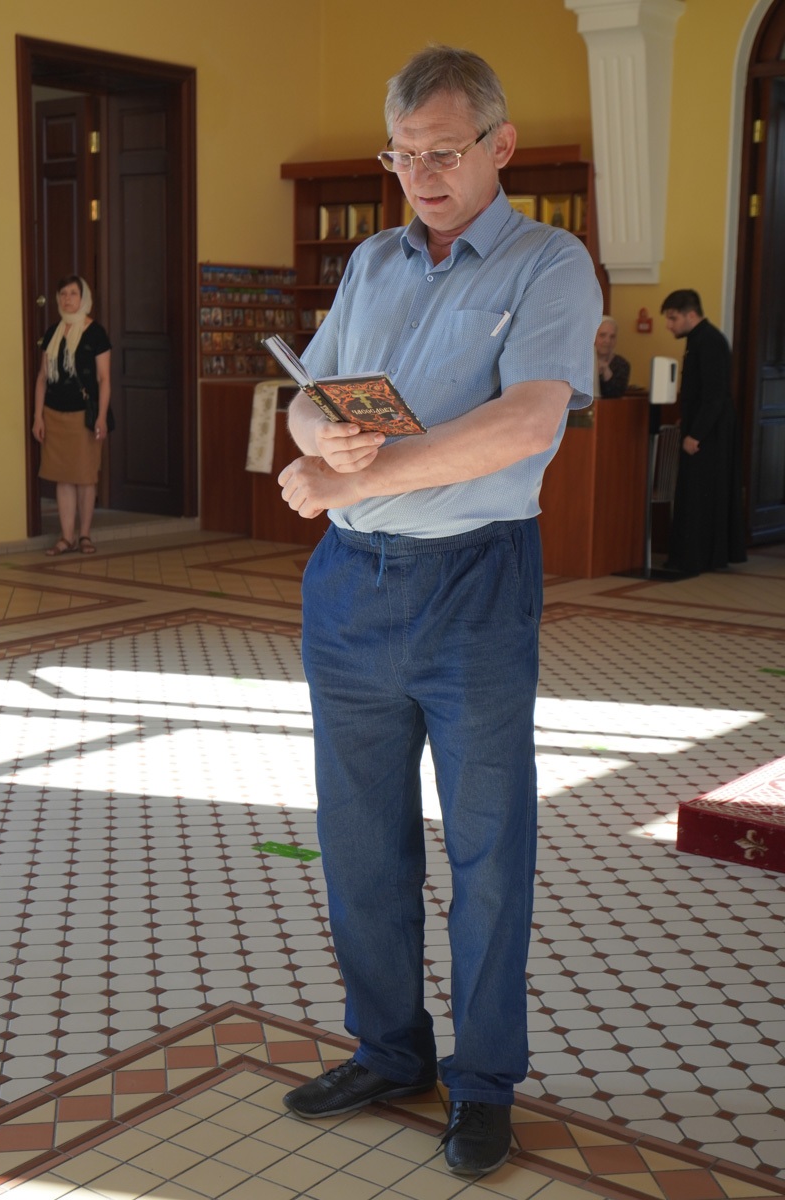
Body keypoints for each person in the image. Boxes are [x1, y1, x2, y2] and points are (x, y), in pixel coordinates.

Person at [278, 45, 602, 1178]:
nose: (421, 174)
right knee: (358, 841)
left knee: (487, 846)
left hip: (475, 582)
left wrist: (349, 479)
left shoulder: (548, 262)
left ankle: (482, 1081)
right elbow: (309, 396)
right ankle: (389, 1050)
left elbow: (526, 424)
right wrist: (320, 442)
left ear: (499, 147)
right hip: (349, 586)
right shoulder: (371, 261)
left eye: (444, 152)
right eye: (402, 155)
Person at [660, 289, 746, 575]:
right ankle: (695, 555)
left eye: (673, 318)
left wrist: (696, 434)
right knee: (695, 492)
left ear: (691, 315)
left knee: (702, 493)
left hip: (710, 432)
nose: (669, 325)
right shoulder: (699, 339)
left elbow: (714, 395)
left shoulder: (709, 341)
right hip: (704, 425)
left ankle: (700, 556)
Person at [33, 275, 112, 556]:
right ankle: (66, 537)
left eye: (73, 293)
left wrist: (102, 417)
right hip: (54, 413)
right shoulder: (53, 332)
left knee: (85, 477)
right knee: (62, 477)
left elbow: (104, 379)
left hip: (84, 416)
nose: (67, 299)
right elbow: (42, 378)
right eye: (63, 294)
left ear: (83, 298)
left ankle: (84, 536)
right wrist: (38, 417)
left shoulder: (96, 333)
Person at [594, 315, 630, 397]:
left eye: (612, 337)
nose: (607, 341)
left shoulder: (622, 364)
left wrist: (606, 371)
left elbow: (616, 394)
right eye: (602, 335)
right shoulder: (581, 362)